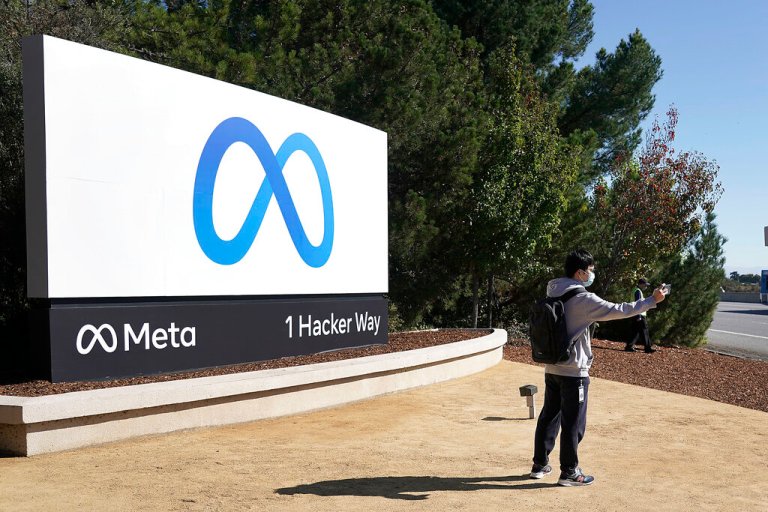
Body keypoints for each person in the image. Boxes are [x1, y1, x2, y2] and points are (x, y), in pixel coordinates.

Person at [530, 249, 668, 486]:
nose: (593, 274)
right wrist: (652, 300)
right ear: (580, 272)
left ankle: (540, 465)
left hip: (552, 366)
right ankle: (570, 472)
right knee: (574, 422)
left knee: (549, 416)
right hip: (575, 371)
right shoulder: (584, 300)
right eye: (591, 270)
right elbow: (619, 310)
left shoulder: (552, 291)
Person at [625, 278, 656, 353]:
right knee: (644, 330)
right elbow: (638, 304)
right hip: (639, 314)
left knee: (636, 331)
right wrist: (638, 315)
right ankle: (647, 348)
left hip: (635, 313)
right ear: (641, 284)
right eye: (645, 285)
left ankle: (629, 346)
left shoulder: (635, 290)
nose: (646, 286)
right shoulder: (638, 291)